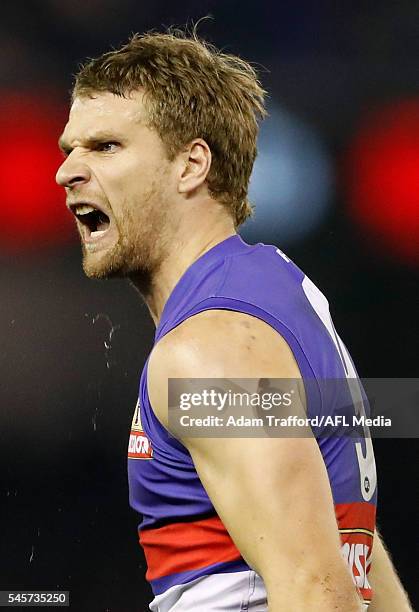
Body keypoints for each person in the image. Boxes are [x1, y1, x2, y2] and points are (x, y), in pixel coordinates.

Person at [55, 29, 412, 612]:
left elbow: (317, 593)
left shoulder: (212, 348)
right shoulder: (277, 294)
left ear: (191, 164)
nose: (67, 171)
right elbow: (354, 555)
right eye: (69, 149)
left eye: (106, 147)